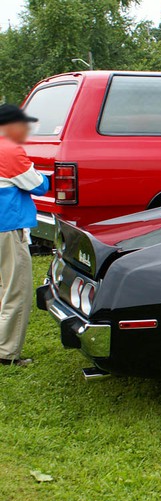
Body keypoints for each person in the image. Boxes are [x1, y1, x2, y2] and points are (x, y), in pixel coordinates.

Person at [0, 104, 49, 367]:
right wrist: (49, 176)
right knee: (15, 290)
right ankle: (6, 353)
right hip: (7, 229)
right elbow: (38, 185)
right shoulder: (8, 150)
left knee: (1, 288)